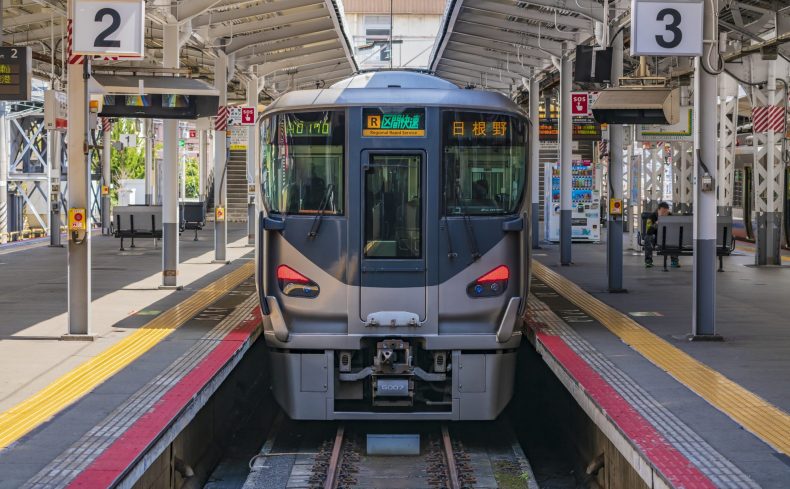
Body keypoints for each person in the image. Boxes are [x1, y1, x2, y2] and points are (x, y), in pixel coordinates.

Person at [644, 202, 679, 268]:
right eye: (662, 212)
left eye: (666, 212)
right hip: (655, 237)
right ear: (658, 210)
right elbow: (648, 231)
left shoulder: (671, 217)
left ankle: (674, 260)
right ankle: (648, 261)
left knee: (675, 237)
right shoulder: (651, 217)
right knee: (648, 237)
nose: (664, 214)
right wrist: (656, 224)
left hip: (667, 237)